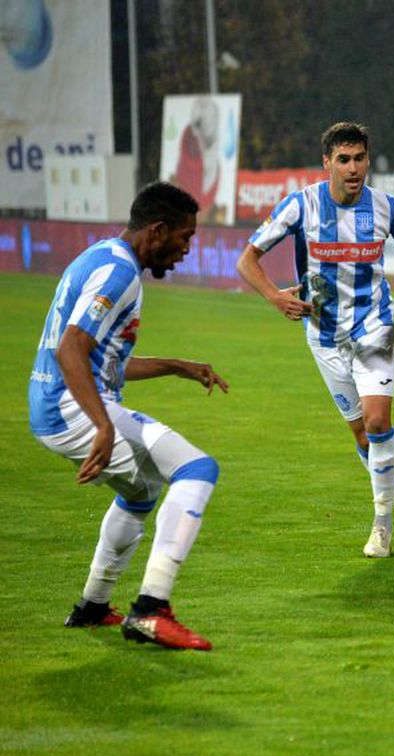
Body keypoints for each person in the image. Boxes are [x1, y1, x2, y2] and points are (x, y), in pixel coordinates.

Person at [30, 182, 226, 650]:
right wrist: (102, 425)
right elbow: (70, 349)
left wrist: (176, 365)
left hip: (54, 406)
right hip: (70, 407)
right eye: (184, 237)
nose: (186, 250)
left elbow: (103, 360)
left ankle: (93, 607)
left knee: (142, 491)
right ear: (157, 231)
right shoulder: (120, 274)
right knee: (197, 470)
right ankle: (151, 610)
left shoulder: (103, 257)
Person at [236, 121, 394, 559]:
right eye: (343, 159)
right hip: (324, 336)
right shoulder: (301, 205)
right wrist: (274, 296)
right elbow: (247, 259)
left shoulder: (384, 207)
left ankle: (382, 525)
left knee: (377, 422)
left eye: (360, 159)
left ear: (368, 160)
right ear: (326, 162)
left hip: (374, 328)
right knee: (363, 437)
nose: (353, 168)